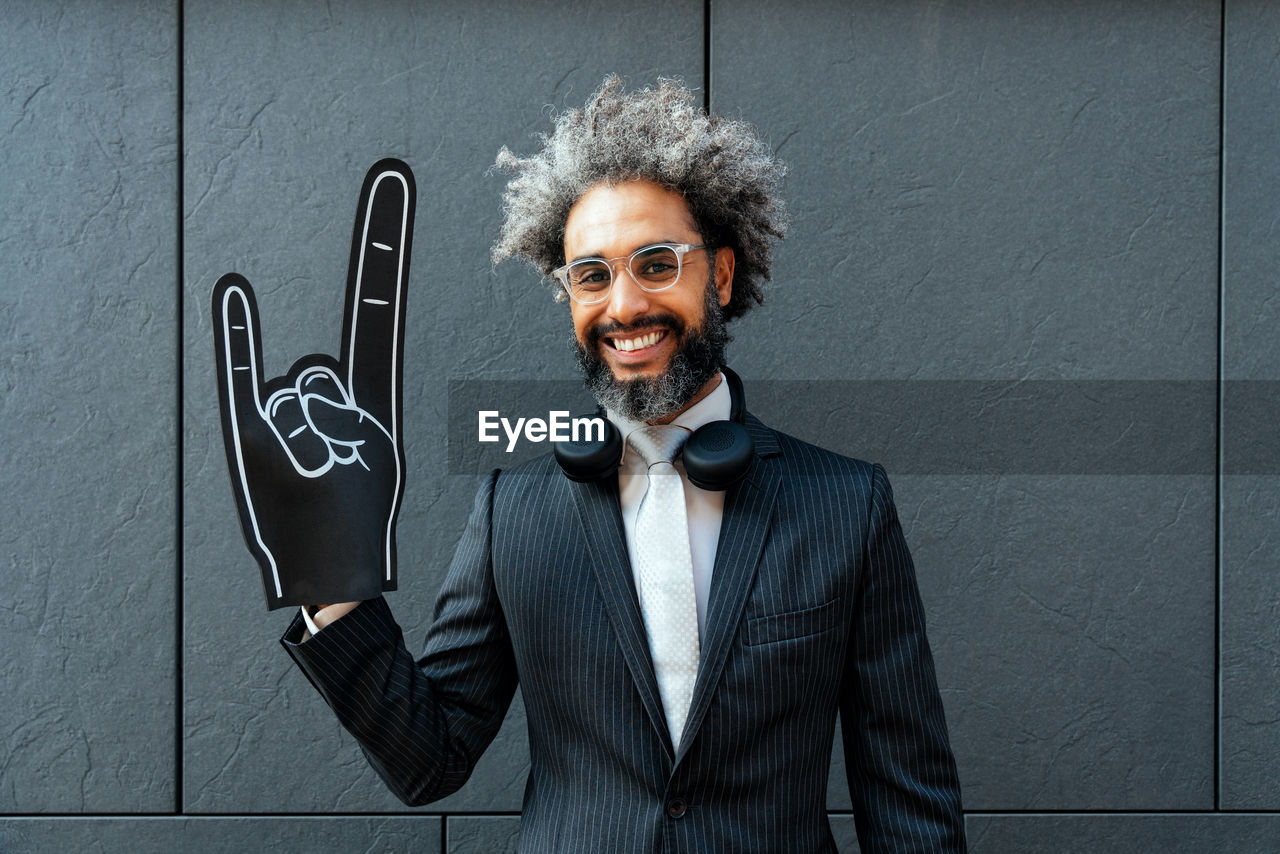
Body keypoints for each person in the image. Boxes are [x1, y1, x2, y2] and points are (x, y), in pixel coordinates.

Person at [253, 76, 965, 852]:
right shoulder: (512, 514)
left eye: (656, 263)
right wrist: (332, 571)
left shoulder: (846, 505)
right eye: (591, 275)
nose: (623, 306)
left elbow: (907, 804)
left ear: (720, 274)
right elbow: (430, 759)